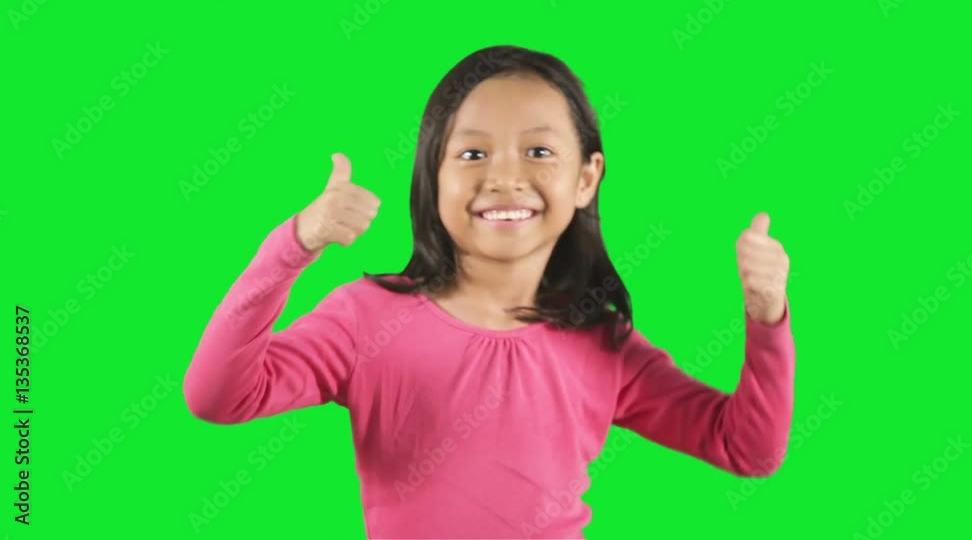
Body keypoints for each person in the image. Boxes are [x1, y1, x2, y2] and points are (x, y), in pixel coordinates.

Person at [183, 45, 795, 539]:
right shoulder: (367, 318)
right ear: (432, 175)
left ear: (586, 178)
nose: (504, 177)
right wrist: (294, 244)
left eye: (539, 151)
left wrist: (767, 318)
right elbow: (217, 394)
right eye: (472, 152)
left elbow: (744, 446)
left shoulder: (600, 340)